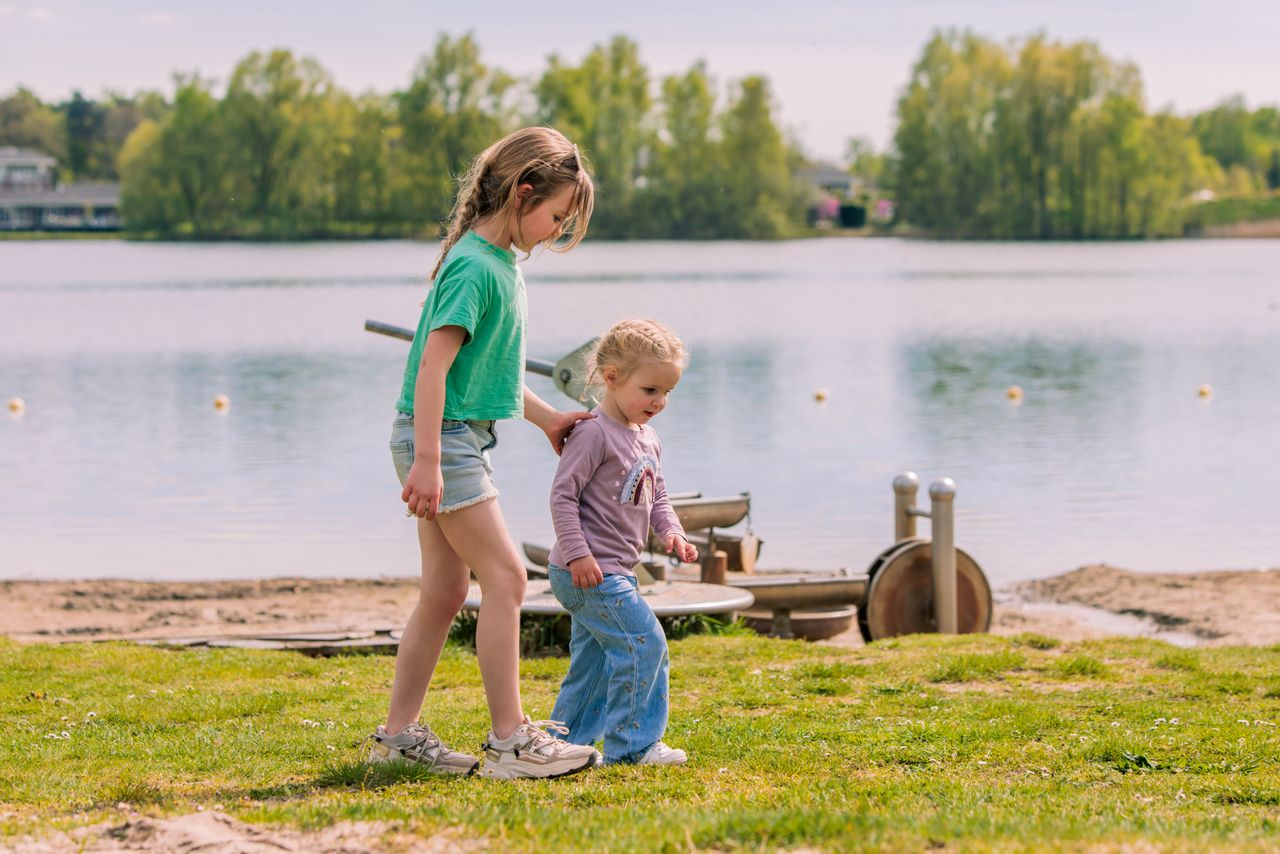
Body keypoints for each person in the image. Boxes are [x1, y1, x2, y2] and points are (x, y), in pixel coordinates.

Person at [369, 127, 601, 780]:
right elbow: (433, 370)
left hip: (450, 439)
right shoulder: (475, 267)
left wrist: (548, 417)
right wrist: (428, 461)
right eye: (555, 217)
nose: (554, 233)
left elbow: (488, 374)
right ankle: (510, 743)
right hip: (439, 441)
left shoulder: (498, 265)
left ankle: (397, 738)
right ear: (523, 193)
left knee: (446, 590)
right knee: (508, 578)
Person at [545, 319, 699, 766]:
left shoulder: (647, 437)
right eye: (650, 390)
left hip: (614, 571)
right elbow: (563, 496)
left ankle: (566, 744)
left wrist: (671, 530)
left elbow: (658, 495)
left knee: (592, 664)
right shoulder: (593, 433)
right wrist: (579, 553)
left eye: (668, 392)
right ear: (611, 378)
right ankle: (634, 747)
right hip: (588, 570)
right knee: (643, 644)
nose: (661, 402)